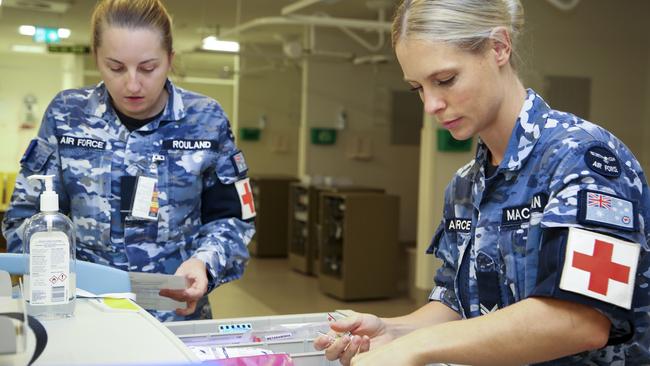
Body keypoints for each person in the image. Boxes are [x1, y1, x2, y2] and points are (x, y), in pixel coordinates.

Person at [314, 0, 650, 364]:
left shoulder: (582, 160)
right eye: (418, 88)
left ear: (499, 48)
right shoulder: (465, 185)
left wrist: (417, 348)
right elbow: (457, 303)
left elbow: (581, 320)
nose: (431, 105)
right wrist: (393, 332)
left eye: (445, 80)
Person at [2, 0, 255, 322]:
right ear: (96, 58)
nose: (133, 84)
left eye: (148, 68)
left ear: (170, 59)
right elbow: (25, 214)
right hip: (82, 310)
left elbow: (233, 218)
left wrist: (204, 262)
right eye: (116, 67)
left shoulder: (205, 120)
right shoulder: (68, 115)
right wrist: (49, 269)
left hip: (173, 311)